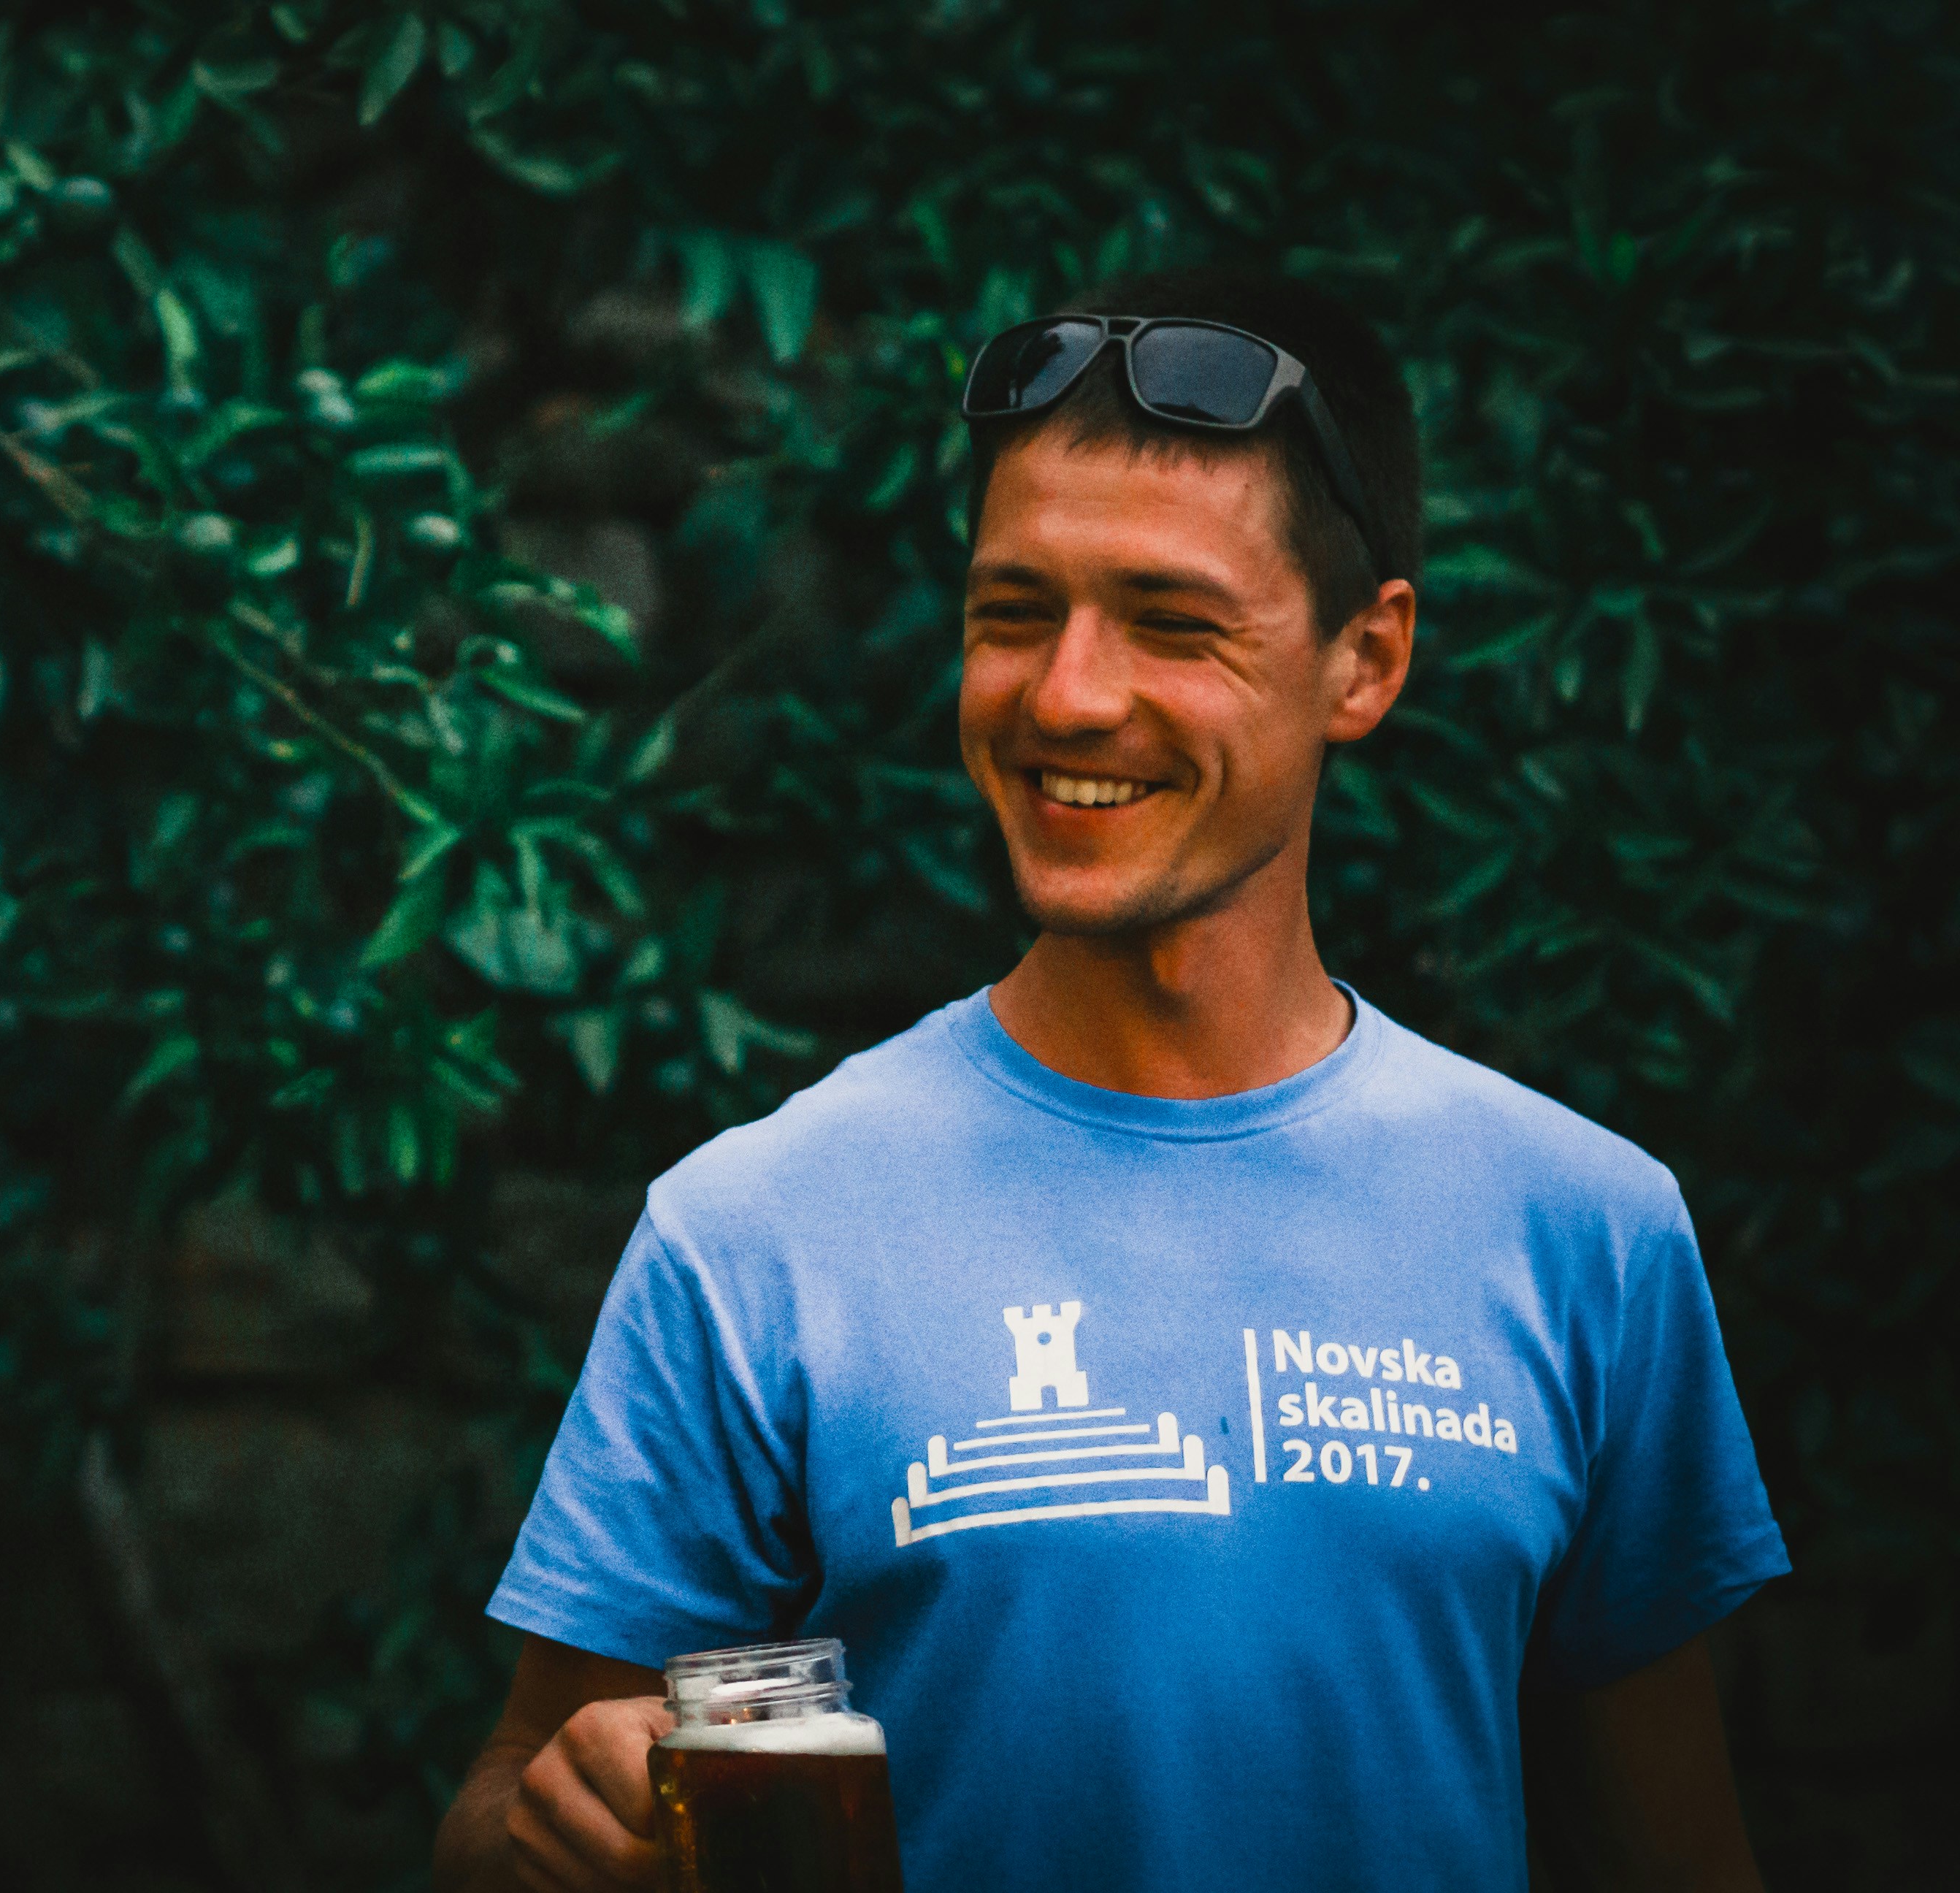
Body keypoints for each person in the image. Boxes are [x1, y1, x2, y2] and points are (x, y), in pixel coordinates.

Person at [432, 267, 1788, 1893]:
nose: (1067, 695)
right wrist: (554, 1833)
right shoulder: (754, 1234)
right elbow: (511, 1804)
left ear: (1366, 662)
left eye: (1173, 624)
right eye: (1015, 613)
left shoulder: (1587, 1232)